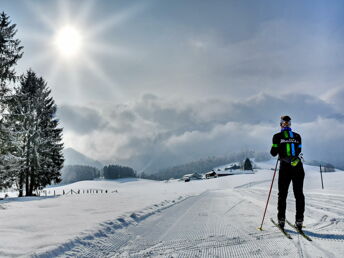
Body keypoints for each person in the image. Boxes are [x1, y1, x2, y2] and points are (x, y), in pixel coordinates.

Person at [270, 115, 305, 230]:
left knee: (283, 194)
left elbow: (273, 153)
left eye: (285, 123)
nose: (286, 124)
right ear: (290, 124)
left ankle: (281, 220)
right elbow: (299, 150)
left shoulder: (277, 136)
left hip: (285, 168)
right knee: (298, 194)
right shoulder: (297, 136)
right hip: (298, 167)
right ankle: (299, 221)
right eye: (286, 123)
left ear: (281, 124)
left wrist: (278, 146)